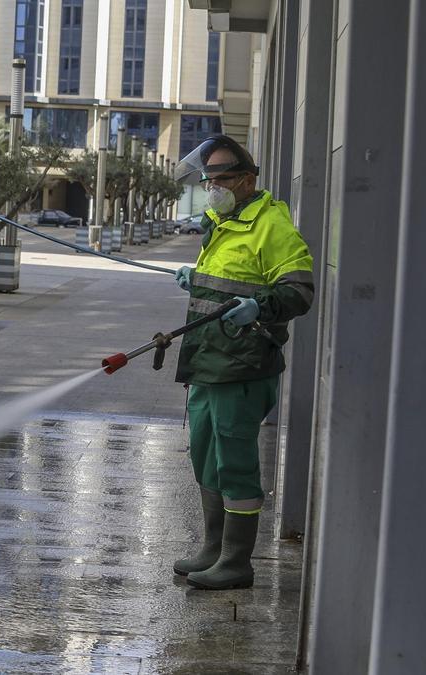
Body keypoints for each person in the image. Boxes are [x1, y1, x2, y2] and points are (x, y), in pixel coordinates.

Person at [170, 135, 314, 590]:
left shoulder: (271, 225)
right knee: (206, 457)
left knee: (234, 463)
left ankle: (236, 560)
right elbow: (228, 280)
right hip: (208, 363)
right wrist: (196, 278)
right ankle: (213, 548)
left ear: (247, 179)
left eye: (221, 179)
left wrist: (261, 308)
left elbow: (299, 292)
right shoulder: (221, 220)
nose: (212, 187)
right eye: (208, 179)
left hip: (243, 365)